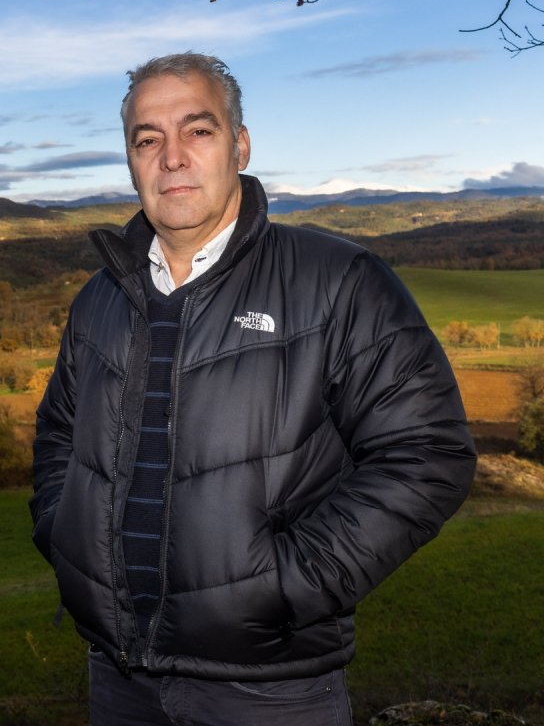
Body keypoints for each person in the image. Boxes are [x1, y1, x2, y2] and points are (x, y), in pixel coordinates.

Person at [29, 52, 476, 725]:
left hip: (271, 689)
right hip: (116, 677)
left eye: (197, 131)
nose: (171, 157)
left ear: (239, 145)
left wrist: (287, 588)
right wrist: (63, 537)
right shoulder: (101, 298)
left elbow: (428, 454)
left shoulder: (337, 280)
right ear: (130, 159)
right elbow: (60, 436)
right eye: (148, 139)